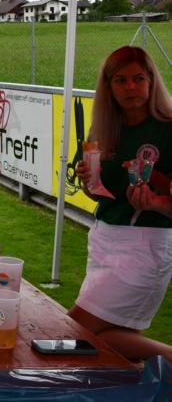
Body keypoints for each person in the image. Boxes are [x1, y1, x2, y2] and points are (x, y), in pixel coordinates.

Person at [71, 46, 172, 362]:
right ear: (109, 86)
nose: (130, 87)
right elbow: (98, 194)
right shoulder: (103, 128)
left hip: (145, 247)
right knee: (108, 344)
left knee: (72, 330)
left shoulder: (168, 127)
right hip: (103, 240)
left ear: (151, 81)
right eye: (121, 80)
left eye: (138, 78)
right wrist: (88, 181)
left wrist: (155, 201)